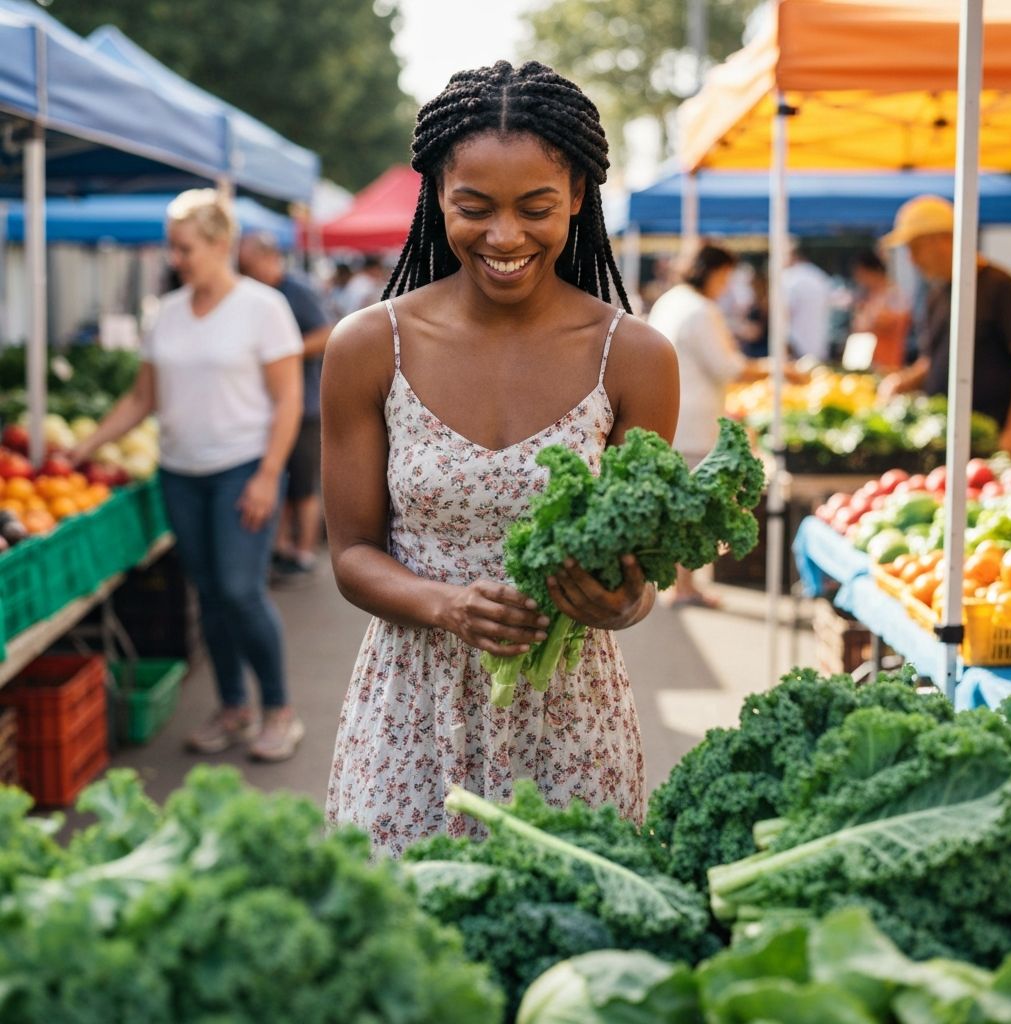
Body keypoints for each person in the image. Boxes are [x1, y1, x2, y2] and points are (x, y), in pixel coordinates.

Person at [320, 60, 679, 856]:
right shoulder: (369, 346)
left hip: (572, 720)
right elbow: (351, 554)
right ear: (437, 197)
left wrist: (622, 601)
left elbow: (646, 576)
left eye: (536, 208)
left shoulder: (636, 358)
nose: (506, 236)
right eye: (474, 207)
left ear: (578, 196)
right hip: (410, 716)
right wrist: (446, 604)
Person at [71, 190, 306, 761]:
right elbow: (141, 399)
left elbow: (289, 399)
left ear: (220, 244)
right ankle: (233, 707)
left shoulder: (263, 307)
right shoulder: (168, 313)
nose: (175, 259)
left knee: (240, 591)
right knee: (209, 596)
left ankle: (280, 711)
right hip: (179, 474)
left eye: (185, 248)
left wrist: (268, 474)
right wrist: (86, 447)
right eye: (172, 248)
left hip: (242, 469)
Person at [647, 242, 797, 609]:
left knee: (681, 504)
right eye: (726, 276)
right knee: (692, 507)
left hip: (672, 414)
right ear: (712, 272)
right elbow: (727, 367)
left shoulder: (671, 300)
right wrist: (776, 369)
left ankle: (682, 584)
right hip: (694, 421)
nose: (726, 285)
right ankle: (684, 587)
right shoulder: (700, 310)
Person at [878, 195, 1011, 456]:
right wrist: (902, 382)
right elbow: (932, 359)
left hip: (993, 435)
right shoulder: (937, 294)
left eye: (915, 248)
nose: (912, 259)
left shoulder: (1001, 286)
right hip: (945, 435)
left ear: (942, 240)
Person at [237, 232, 333, 579]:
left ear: (269, 258)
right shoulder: (255, 296)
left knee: (303, 485)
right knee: (279, 480)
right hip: (271, 407)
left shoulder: (297, 291)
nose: (245, 273)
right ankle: (280, 549)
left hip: (304, 406)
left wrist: (284, 352)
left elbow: (327, 334)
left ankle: (303, 553)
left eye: (249, 265)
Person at [849, 249, 911, 372]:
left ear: (874, 271)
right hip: (867, 360)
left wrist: (871, 320)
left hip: (888, 362)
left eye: (862, 274)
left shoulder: (893, 294)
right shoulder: (869, 295)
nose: (860, 280)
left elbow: (900, 322)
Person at [782, 241, 833, 361]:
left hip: (796, 348)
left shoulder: (789, 278)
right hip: (819, 345)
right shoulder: (819, 276)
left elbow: (784, 314)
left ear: (791, 254)